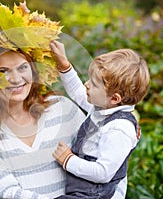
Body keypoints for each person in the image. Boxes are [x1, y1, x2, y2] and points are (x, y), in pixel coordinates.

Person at [0, 2, 86, 199]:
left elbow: (101, 152)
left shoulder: (62, 109)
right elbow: (7, 192)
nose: (16, 79)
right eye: (3, 72)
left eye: (22, 68)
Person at [50, 41, 150, 199]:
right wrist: (64, 66)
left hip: (97, 194)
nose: (86, 84)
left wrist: (68, 160)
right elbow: (78, 93)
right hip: (83, 187)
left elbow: (103, 173)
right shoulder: (103, 107)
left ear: (115, 98)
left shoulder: (120, 129)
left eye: (94, 84)